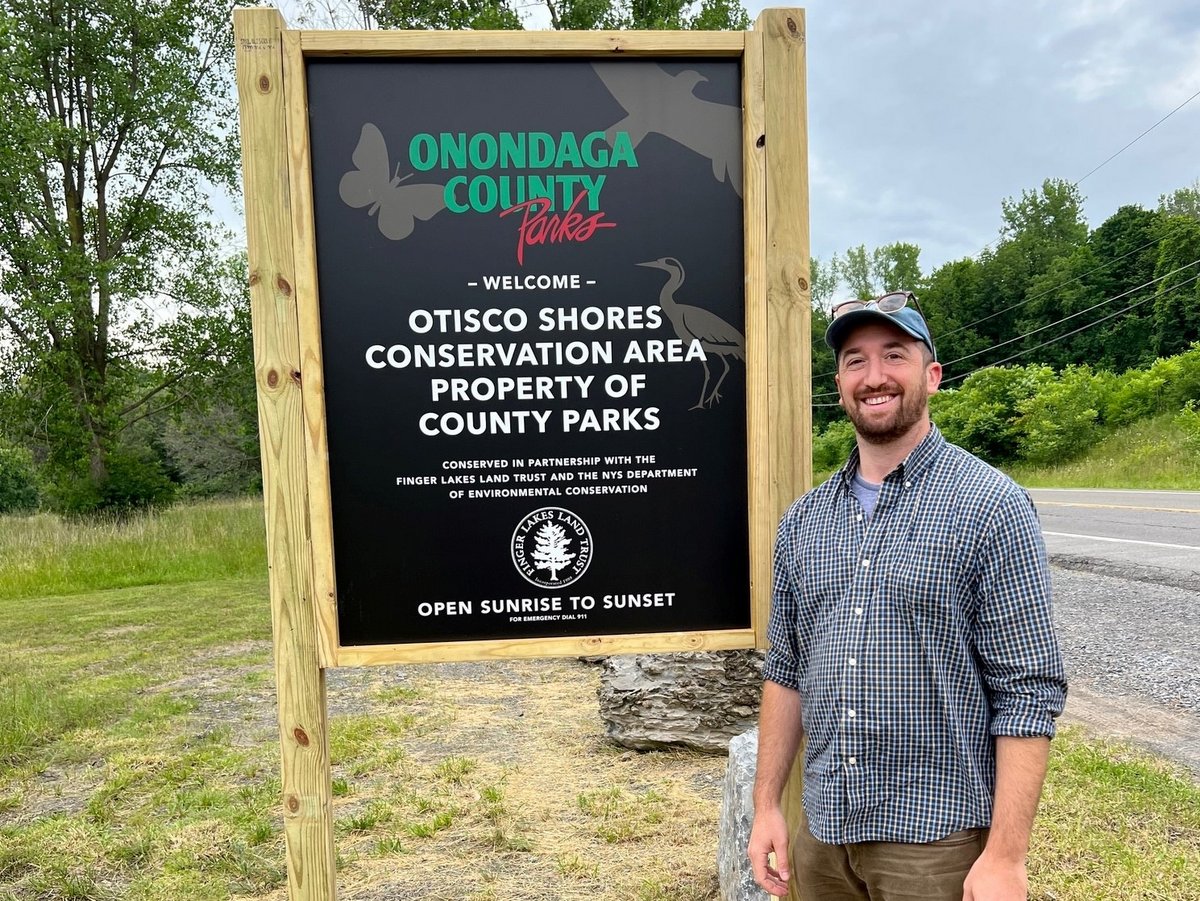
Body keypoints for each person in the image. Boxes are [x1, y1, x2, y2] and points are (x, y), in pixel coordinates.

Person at [748, 292, 1067, 901]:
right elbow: (786, 672)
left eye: (894, 355)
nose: (874, 377)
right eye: (854, 360)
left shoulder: (992, 507)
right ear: (840, 382)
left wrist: (1005, 855)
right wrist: (768, 807)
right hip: (822, 835)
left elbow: (1028, 691)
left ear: (932, 374)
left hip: (936, 843)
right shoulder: (803, 522)